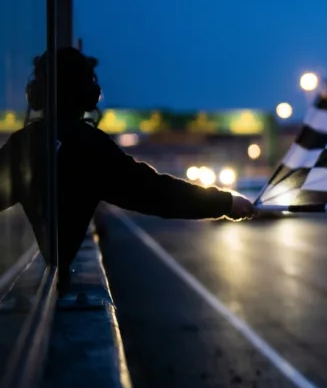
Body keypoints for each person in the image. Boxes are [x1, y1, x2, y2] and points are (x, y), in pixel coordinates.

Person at [0, 47, 254, 288]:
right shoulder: (90, 147)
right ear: (88, 95)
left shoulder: (23, 144)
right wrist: (225, 203)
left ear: (36, 93)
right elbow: (156, 194)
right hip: (56, 290)